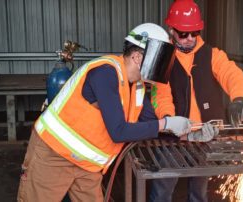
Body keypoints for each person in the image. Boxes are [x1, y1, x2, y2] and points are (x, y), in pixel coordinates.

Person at [17, 23, 193, 202]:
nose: (161, 65)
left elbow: (153, 127)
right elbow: (118, 131)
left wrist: (187, 134)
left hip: (88, 167)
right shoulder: (105, 73)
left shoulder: (138, 87)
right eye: (159, 58)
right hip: (53, 156)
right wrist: (165, 124)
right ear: (137, 57)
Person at [149, 0, 243, 201]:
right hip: (172, 139)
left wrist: (238, 98)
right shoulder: (163, 57)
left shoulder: (212, 55)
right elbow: (160, 95)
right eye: (183, 33)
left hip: (205, 136)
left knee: (199, 194)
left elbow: (232, 74)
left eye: (194, 33)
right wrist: (169, 120)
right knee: (162, 192)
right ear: (171, 30)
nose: (189, 39)